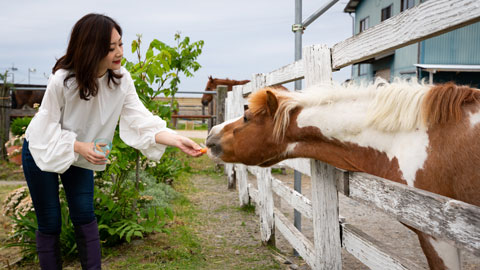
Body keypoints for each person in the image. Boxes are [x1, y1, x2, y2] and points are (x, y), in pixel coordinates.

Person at [22, 13, 203, 270]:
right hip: (42, 148)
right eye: (111, 48)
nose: (119, 52)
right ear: (90, 48)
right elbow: (46, 127)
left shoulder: (120, 79)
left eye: (120, 43)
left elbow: (139, 120)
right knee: (50, 222)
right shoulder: (62, 81)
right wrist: (79, 146)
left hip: (84, 154)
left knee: (84, 215)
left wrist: (176, 140)